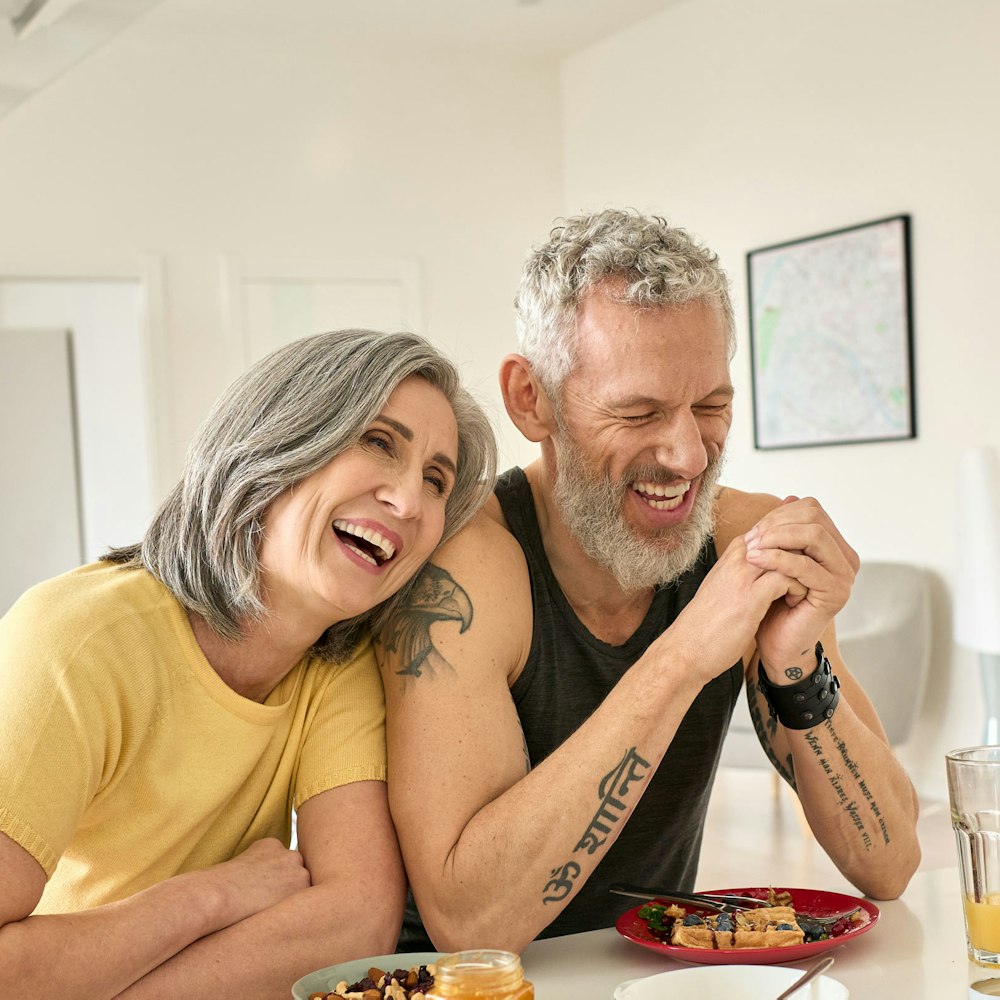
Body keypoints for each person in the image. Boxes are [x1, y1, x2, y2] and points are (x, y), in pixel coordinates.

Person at [375, 210, 922, 954]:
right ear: (531, 399)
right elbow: (470, 926)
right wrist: (685, 654)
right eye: (638, 412)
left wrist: (794, 667)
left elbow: (889, 863)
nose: (689, 455)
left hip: (643, 978)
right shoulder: (468, 575)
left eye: (712, 407)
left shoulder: (741, 542)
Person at [0, 329, 496, 999]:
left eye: (435, 480)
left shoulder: (337, 663)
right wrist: (204, 899)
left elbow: (355, 924)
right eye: (379, 442)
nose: (408, 502)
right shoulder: (79, 639)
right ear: (281, 440)